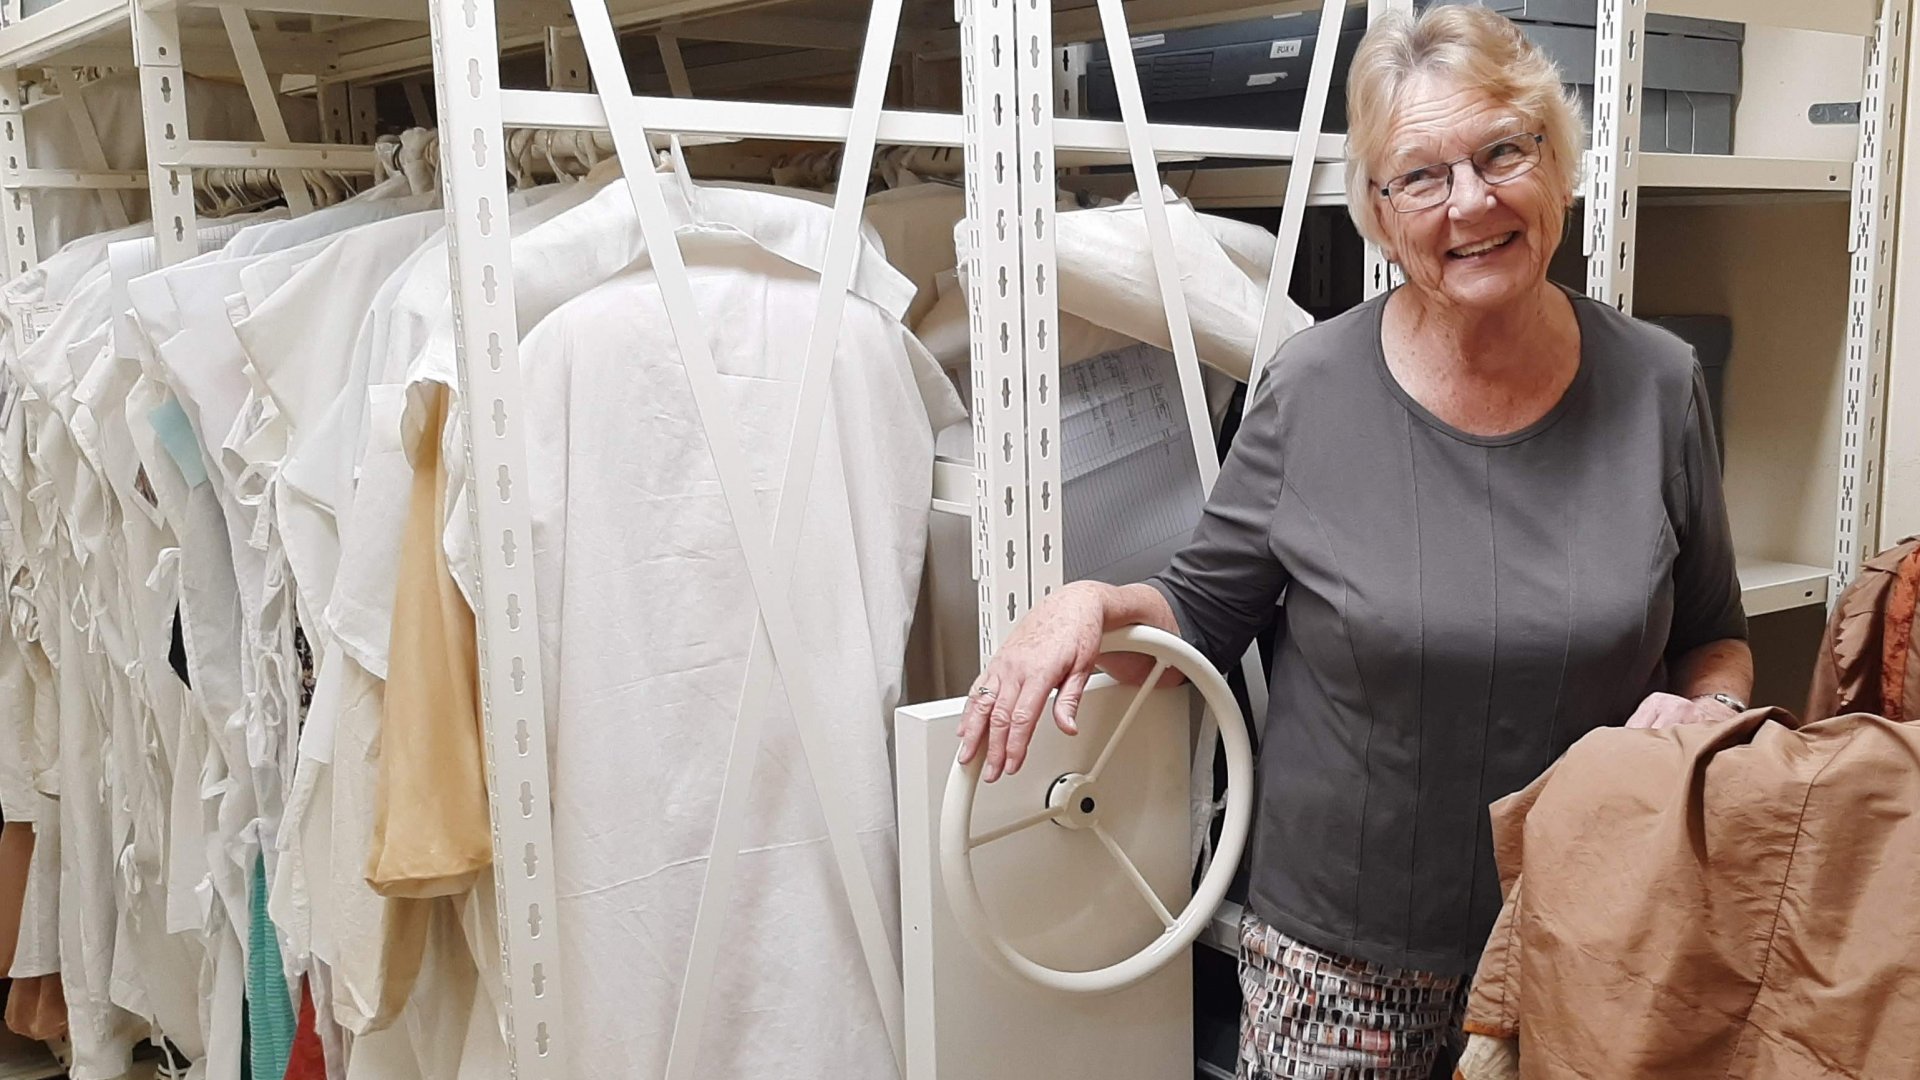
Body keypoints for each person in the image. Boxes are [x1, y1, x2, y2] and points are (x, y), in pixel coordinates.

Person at [955, 6, 1754, 1078]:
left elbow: (1716, 636)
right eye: (1420, 176)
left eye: (1503, 151)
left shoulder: (1658, 385)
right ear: (1379, 213)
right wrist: (1091, 602)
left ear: (1556, 163)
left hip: (1591, 935)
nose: (1471, 201)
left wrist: (1710, 708)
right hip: (1341, 965)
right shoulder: (1314, 388)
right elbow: (1203, 608)